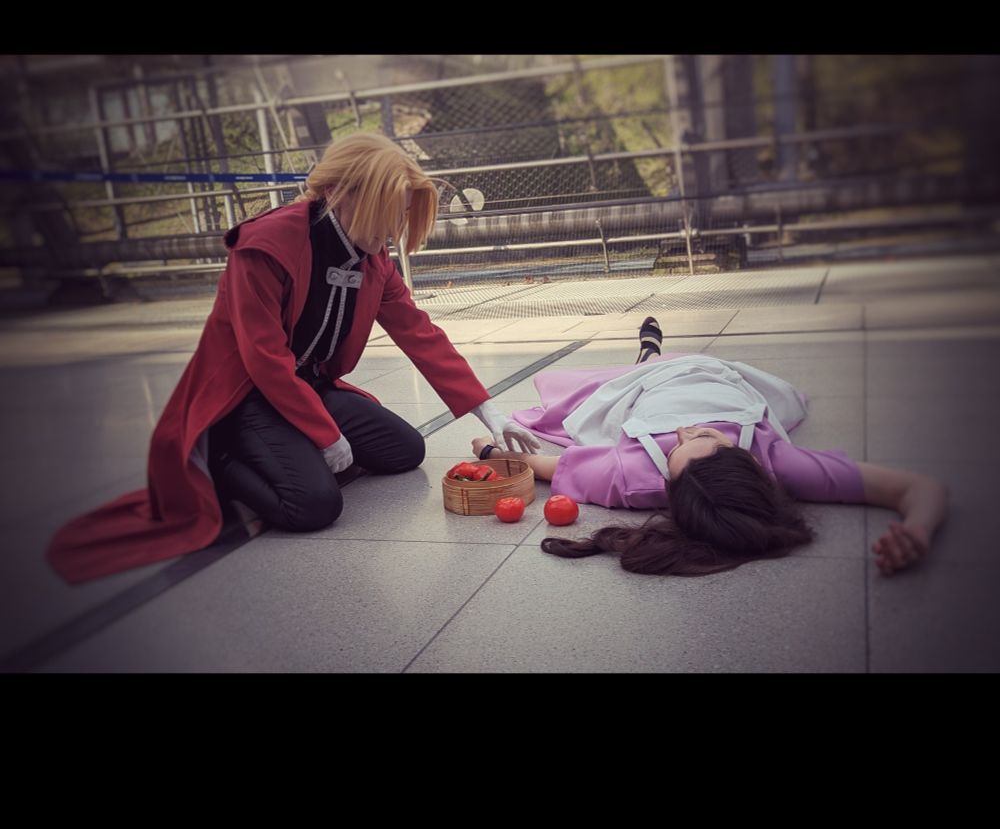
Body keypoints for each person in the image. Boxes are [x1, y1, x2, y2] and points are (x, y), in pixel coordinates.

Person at [48, 132, 539, 584]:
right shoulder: (265, 245)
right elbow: (261, 358)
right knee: (313, 506)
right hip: (246, 396)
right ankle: (221, 459)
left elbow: (419, 332)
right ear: (346, 197)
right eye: (390, 212)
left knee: (404, 450)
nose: (395, 229)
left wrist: (486, 408)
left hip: (309, 387)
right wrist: (325, 436)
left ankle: (289, 450)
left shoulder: (371, 258)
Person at [472, 318, 948, 579]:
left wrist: (491, 454)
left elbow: (545, 466)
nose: (686, 431)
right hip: (716, 373)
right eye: (704, 437)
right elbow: (919, 488)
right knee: (658, 362)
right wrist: (920, 529)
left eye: (688, 442)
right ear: (748, 464)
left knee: (615, 379)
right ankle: (651, 351)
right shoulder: (775, 461)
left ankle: (649, 355)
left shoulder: (632, 477)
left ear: (667, 484)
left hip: (645, 389)